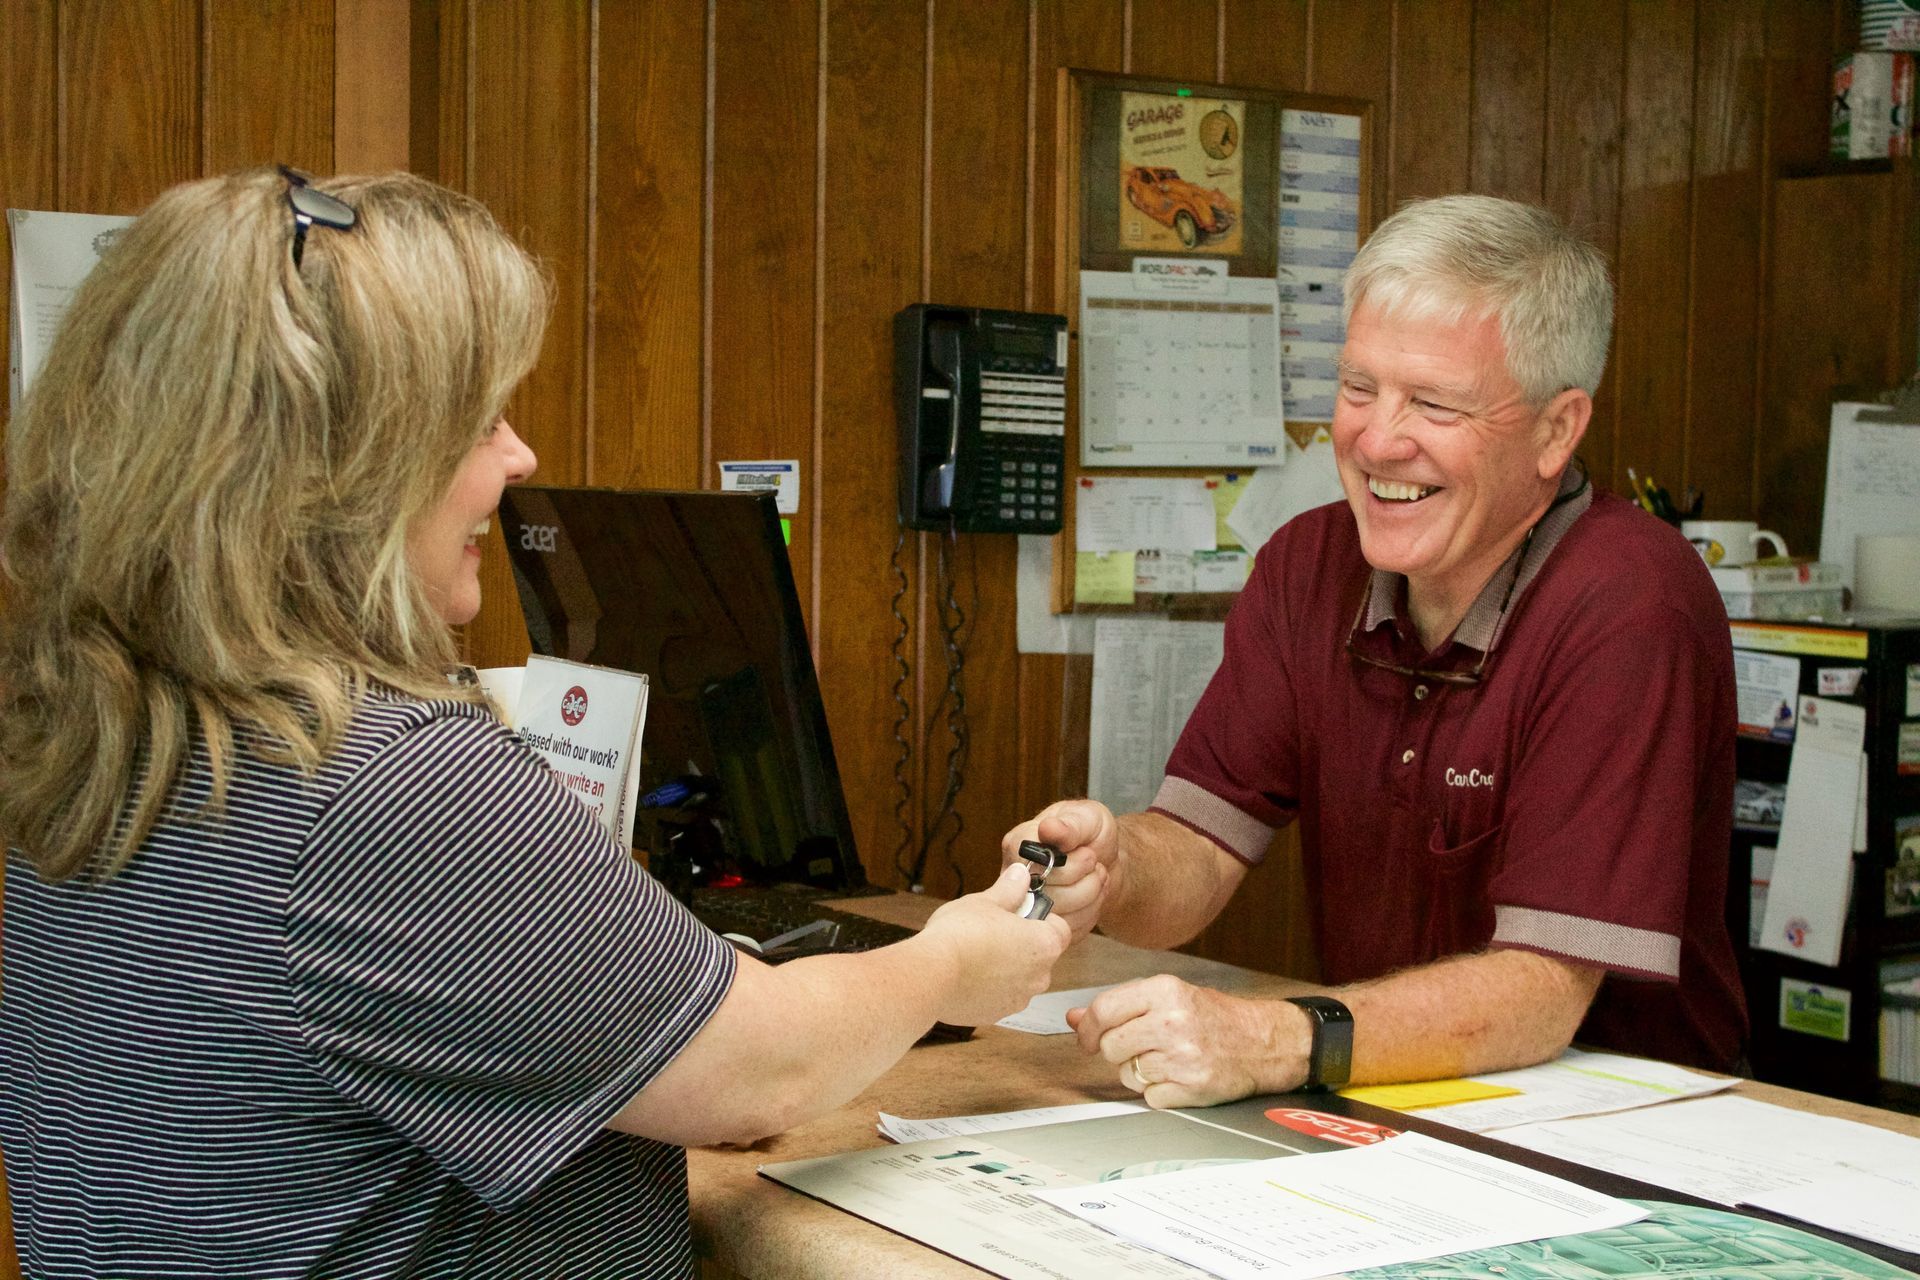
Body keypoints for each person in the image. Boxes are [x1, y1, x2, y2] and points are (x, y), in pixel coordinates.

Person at [0, 167, 1068, 1279]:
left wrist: (646, 1050)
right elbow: (766, 1069)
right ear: (333, 467)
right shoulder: (384, 781)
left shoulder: (103, 733)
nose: (519, 458)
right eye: (476, 420)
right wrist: (950, 963)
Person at [1003, 194, 1745, 1109]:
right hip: (1391, 1099)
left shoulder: (1631, 601)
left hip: (1631, 1127)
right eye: (1359, 388)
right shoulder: (1308, 563)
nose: (1374, 440)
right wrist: (1116, 866)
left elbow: (1542, 994)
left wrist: (1271, 1036)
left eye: (1433, 403)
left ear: (1557, 431)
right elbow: (1198, 850)